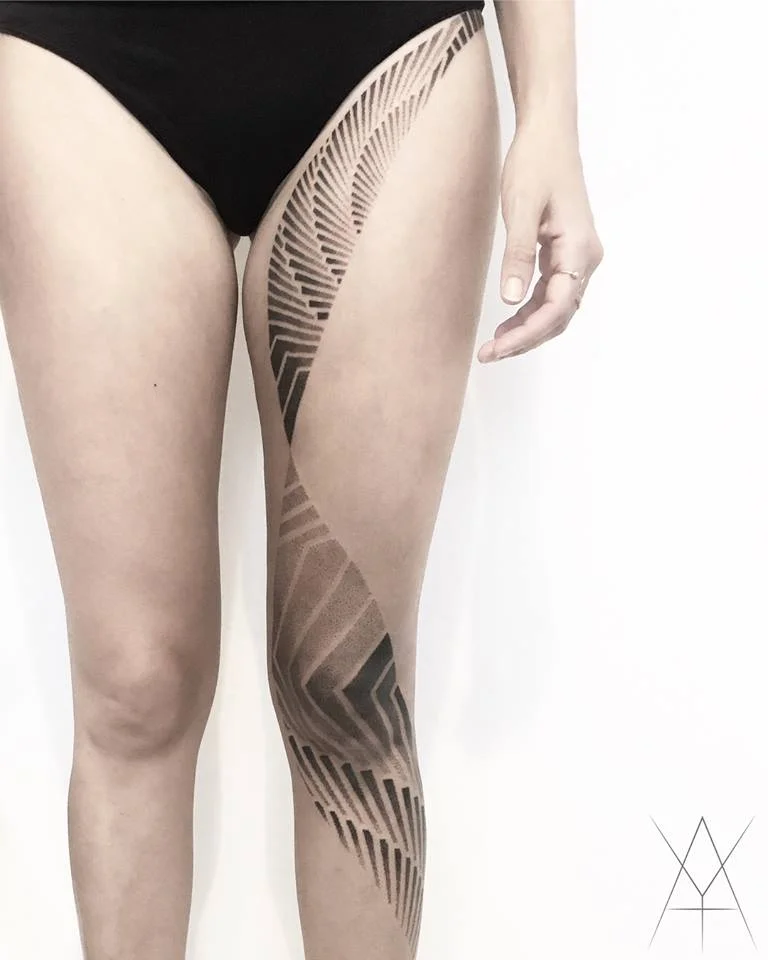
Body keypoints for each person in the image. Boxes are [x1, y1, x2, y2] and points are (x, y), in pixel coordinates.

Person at [0, 1, 603, 957]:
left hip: (385, 46)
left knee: (346, 688)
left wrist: (552, 109)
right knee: (132, 687)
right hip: (80, 55)